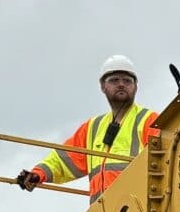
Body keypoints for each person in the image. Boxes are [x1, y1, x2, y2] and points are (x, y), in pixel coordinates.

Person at [17, 55, 160, 197]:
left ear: (136, 87)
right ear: (103, 87)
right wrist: (38, 174)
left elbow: (163, 160)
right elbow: (64, 159)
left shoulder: (150, 120)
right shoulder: (92, 127)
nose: (121, 84)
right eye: (114, 80)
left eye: (127, 80)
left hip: (138, 208)